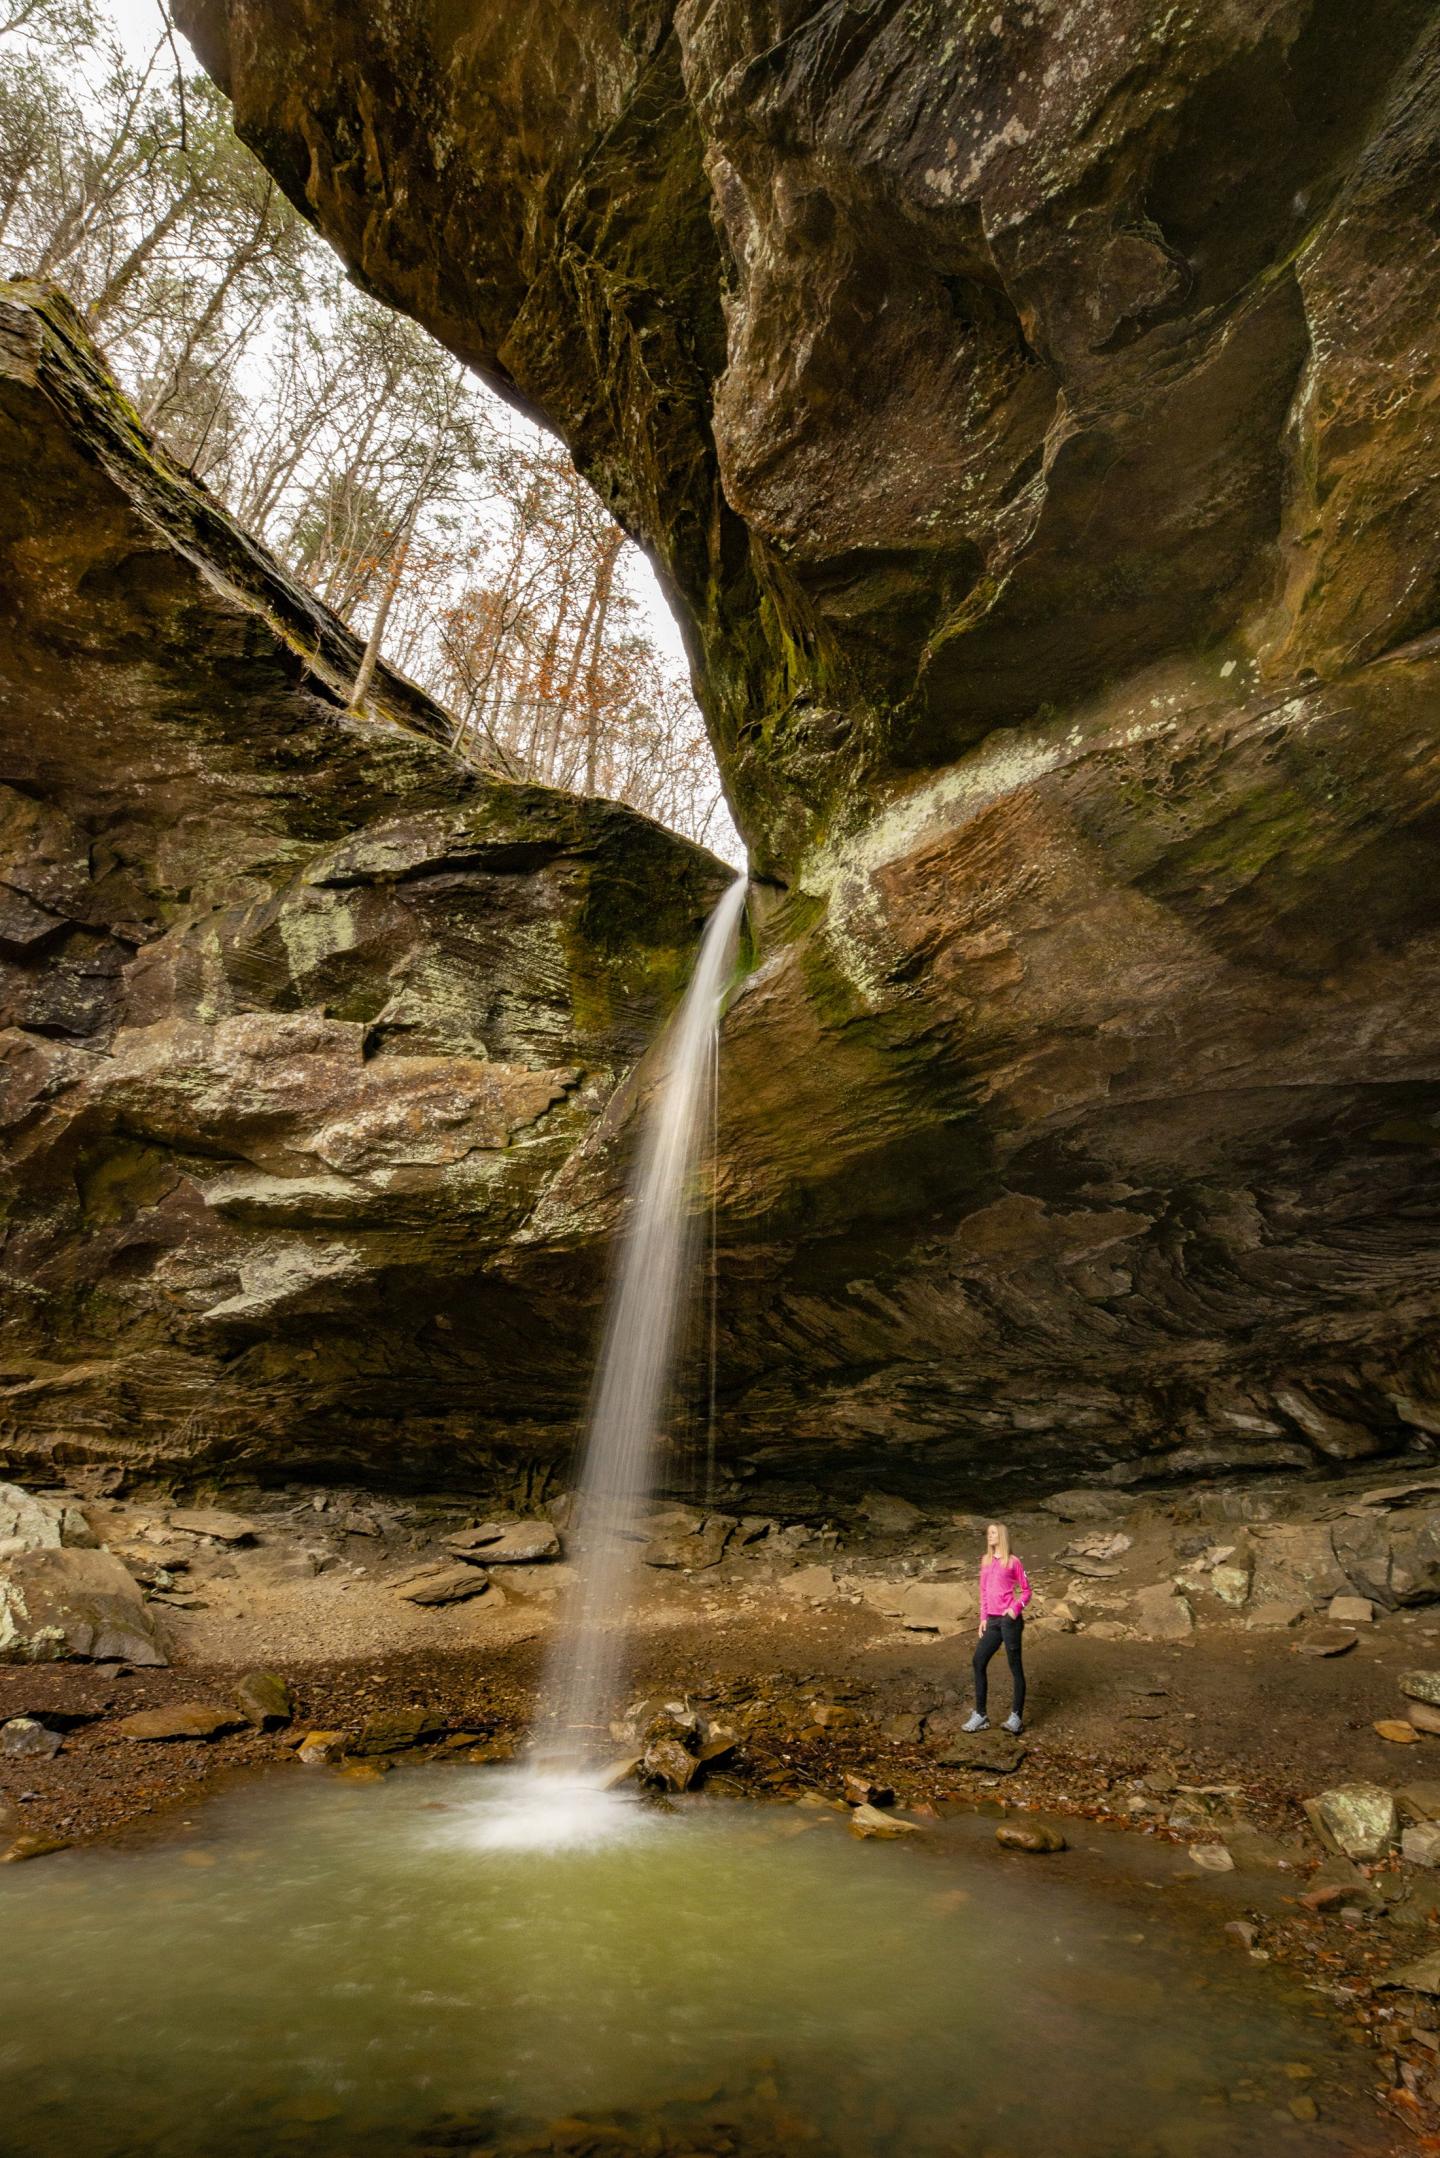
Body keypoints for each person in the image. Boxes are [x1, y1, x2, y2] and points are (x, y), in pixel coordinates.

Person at [963, 1521, 1031, 1735]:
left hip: (1009, 1620)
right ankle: (981, 1715)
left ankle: (1016, 1717)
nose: (989, 1536)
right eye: (988, 1533)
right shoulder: (985, 1560)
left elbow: (1027, 1591)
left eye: (993, 1533)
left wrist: (1014, 1609)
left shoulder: (1013, 1562)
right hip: (991, 1621)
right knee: (978, 1661)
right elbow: (983, 1591)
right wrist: (983, 1618)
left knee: (1015, 1667)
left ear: (1001, 1536)